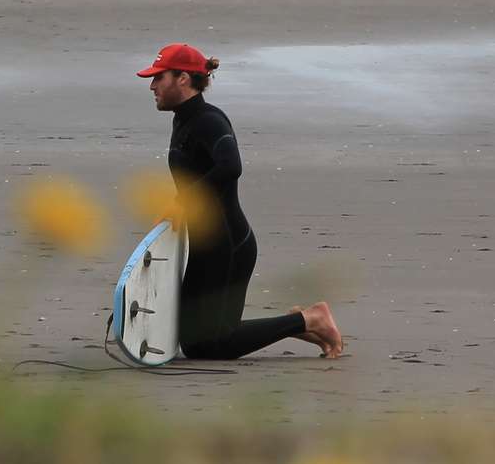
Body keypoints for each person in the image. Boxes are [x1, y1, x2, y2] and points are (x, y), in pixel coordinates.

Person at [139, 42, 344, 360]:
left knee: (213, 346)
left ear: (183, 78)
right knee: (194, 343)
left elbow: (231, 166)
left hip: (229, 246)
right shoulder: (183, 120)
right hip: (205, 244)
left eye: (159, 77)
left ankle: (309, 318)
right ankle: (300, 322)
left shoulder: (210, 121)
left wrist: (182, 203)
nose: (152, 85)